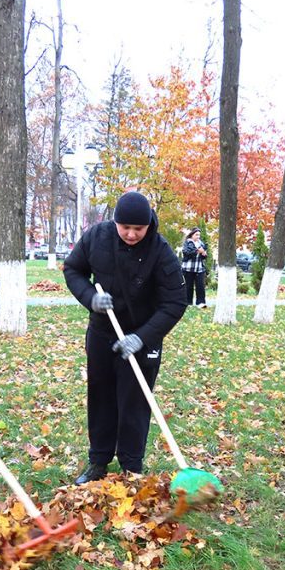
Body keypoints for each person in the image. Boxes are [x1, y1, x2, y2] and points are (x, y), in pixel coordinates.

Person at [64, 191, 187, 485]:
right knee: (101, 395)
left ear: (148, 226)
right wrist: (91, 297)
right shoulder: (97, 238)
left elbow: (175, 302)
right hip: (103, 331)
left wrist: (141, 338)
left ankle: (131, 467)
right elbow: (73, 269)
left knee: (135, 401)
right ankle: (98, 461)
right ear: (115, 222)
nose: (132, 234)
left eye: (139, 229)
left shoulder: (160, 251)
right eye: (126, 227)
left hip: (143, 335)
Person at [181, 227, 208, 308]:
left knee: (200, 286)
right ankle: (188, 303)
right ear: (192, 235)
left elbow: (204, 256)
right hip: (188, 268)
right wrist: (197, 251)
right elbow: (186, 253)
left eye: (199, 235)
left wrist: (204, 254)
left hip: (199, 268)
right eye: (196, 235)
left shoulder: (201, 243)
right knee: (188, 286)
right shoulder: (188, 242)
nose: (198, 236)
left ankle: (201, 303)